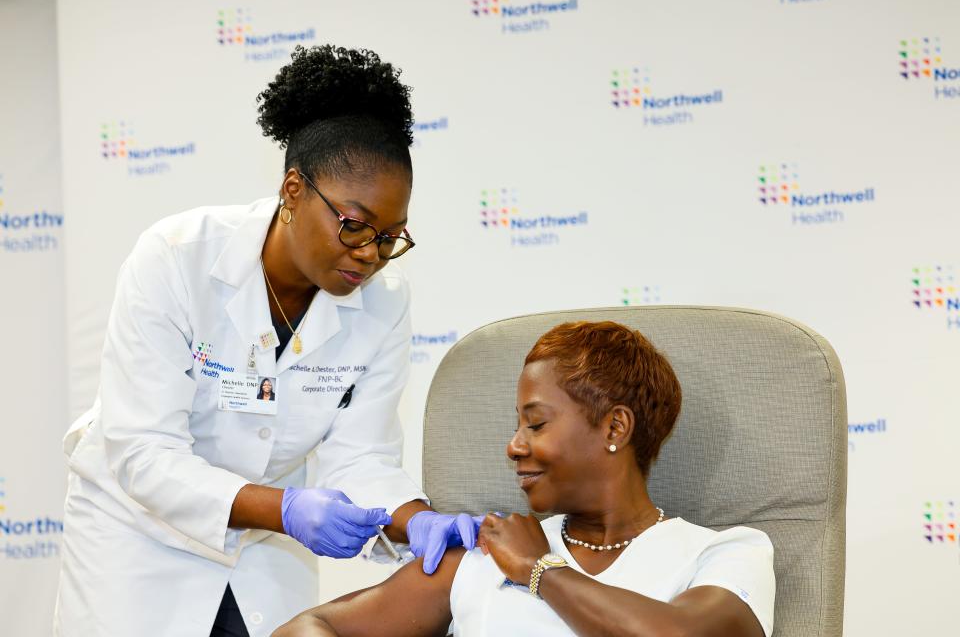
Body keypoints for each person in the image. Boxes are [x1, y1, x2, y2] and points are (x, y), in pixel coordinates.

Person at [54, 45, 479, 637]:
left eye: (390, 237)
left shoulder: (385, 300)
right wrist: (285, 508)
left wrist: (416, 520)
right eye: (354, 225)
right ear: (294, 189)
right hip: (137, 539)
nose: (370, 255)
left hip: (267, 550)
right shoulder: (179, 258)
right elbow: (142, 451)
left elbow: (361, 455)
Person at [274, 321, 776, 637]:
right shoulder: (484, 552)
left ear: (615, 427)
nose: (514, 445)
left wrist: (541, 570)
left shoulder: (726, 553)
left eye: (535, 423)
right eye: (516, 425)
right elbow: (311, 626)